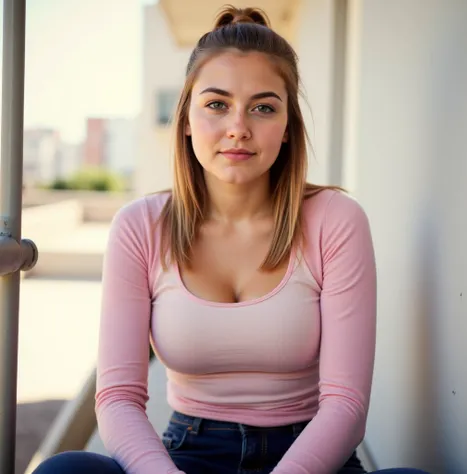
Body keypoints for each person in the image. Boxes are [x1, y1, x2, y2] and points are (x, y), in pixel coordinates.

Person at [32, 6, 430, 474]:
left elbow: (345, 405)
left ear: (286, 129)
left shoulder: (335, 220)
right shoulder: (139, 226)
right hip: (189, 452)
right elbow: (118, 397)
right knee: (67, 471)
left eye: (263, 107)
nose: (238, 126)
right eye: (217, 104)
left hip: (310, 457)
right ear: (185, 119)